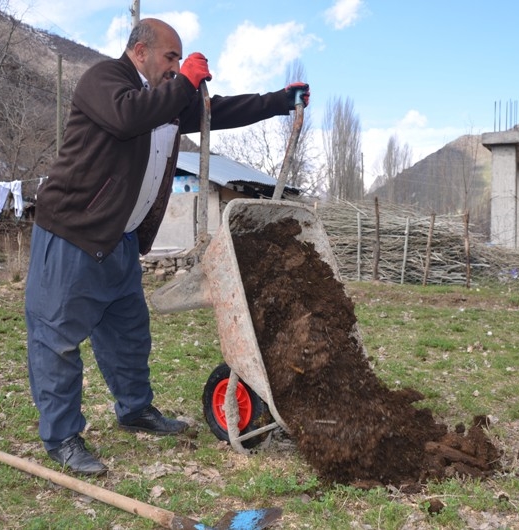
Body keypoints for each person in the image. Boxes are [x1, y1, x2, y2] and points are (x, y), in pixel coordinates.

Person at [25, 17, 310, 476]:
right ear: (140, 52)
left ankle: (135, 410)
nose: (176, 67)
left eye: (181, 60)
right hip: (72, 235)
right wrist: (185, 84)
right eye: (170, 57)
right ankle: (61, 438)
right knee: (56, 339)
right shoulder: (105, 80)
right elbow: (128, 117)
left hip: (119, 242)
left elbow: (219, 111)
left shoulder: (167, 101)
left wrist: (279, 102)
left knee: (128, 335)